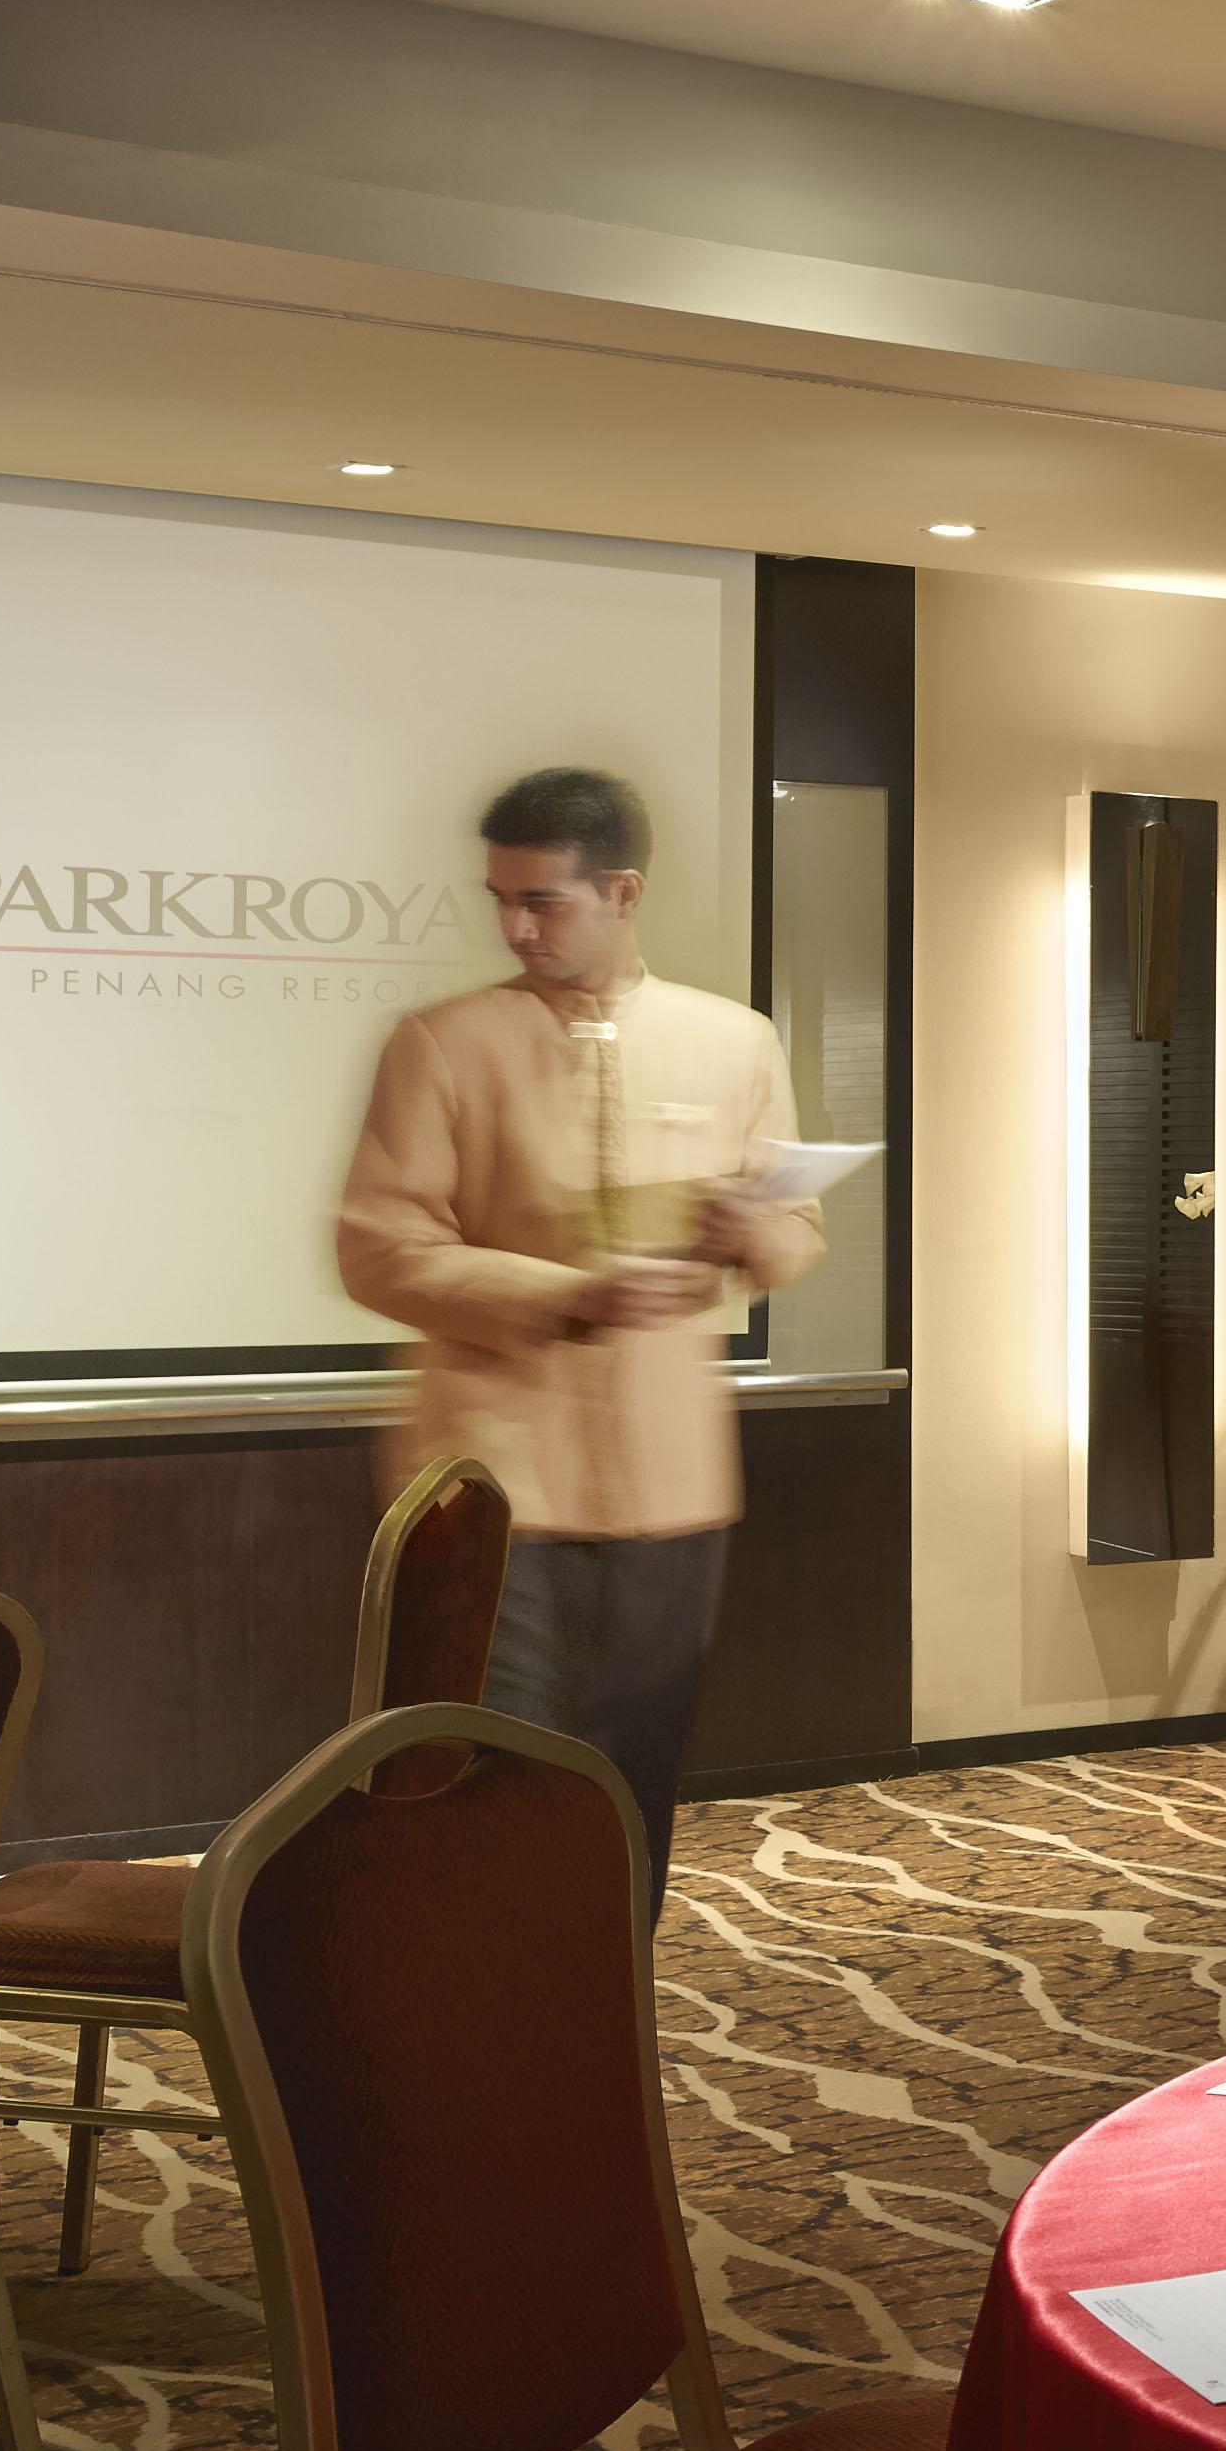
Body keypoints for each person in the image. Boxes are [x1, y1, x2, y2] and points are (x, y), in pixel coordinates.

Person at [333, 765, 819, 1866]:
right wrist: (565, 1296)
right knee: (494, 1773)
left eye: (541, 901)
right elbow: (377, 1248)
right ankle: (489, 2021)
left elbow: (798, 1231)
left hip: (672, 1482)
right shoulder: (443, 1042)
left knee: (634, 1772)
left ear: (623, 892)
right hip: (499, 1483)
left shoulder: (734, 1041)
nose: (514, 926)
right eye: (499, 898)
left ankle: (606, 2016)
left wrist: (754, 1232)